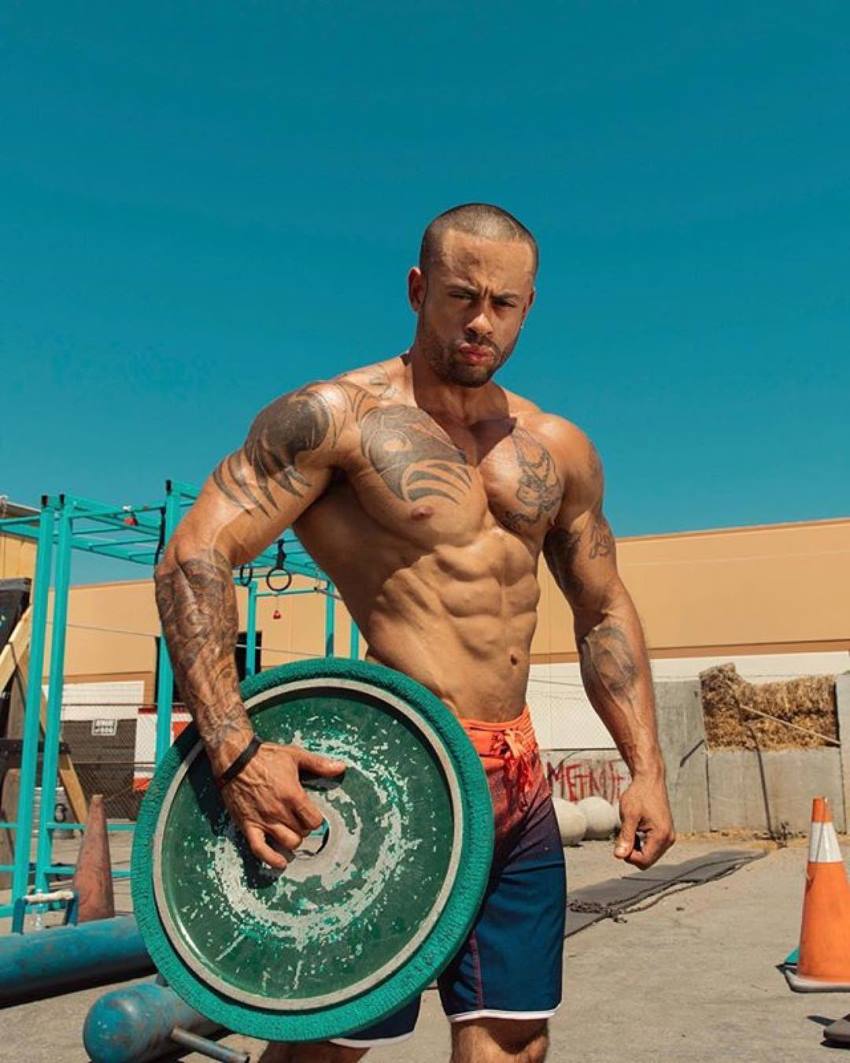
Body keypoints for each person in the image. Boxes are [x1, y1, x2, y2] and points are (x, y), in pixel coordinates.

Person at [154, 203, 675, 1063]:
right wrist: (235, 749)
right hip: (396, 771)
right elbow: (195, 556)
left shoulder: (558, 447)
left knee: (512, 1040)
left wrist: (646, 770)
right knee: (326, 1048)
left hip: (520, 779)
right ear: (417, 288)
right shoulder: (334, 418)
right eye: (462, 296)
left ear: (529, 305)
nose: (481, 321)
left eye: (503, 304)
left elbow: (603, 608)